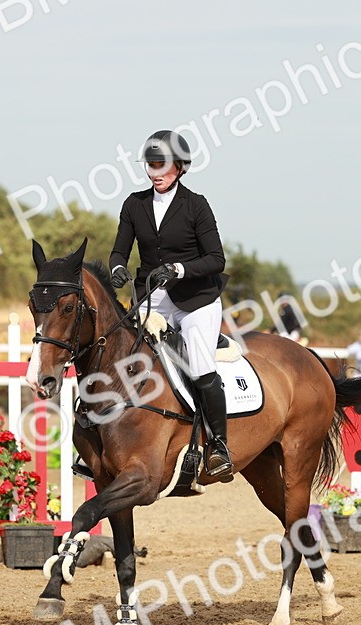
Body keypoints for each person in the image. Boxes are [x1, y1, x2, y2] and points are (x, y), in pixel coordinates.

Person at [108, 129, 233, 481]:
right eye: (150, 165)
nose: (155, 172)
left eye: (161, 165)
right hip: (152, 298)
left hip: (195, 298)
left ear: (179, 166)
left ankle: (219, 446)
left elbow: (216, 259)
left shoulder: (196, 204)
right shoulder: (134, 204)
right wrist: (118, 267)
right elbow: (121, 248)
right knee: (123, 355)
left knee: (199, 363)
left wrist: (179, 268)